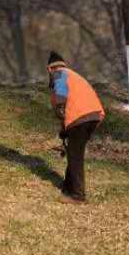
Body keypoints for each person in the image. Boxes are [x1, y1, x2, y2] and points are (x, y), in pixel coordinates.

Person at [47, 51, 104, 203]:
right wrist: (65, 130)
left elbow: (61, 96)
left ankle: (78, 195)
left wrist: (59, 106)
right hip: (93, 115)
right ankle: (68, 186)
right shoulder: (73, 75)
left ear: (49, 68)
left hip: (80, 117)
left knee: (75, 155)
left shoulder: (59, 73)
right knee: (74, 152)